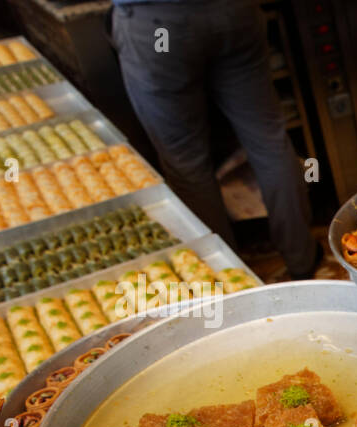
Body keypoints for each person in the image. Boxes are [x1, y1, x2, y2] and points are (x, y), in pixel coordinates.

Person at [109, 0, 321, 278]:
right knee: (268, 140)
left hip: (159, 28)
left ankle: (230, 275)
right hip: (233, 12)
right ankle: (302, 258)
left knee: (186, 163)